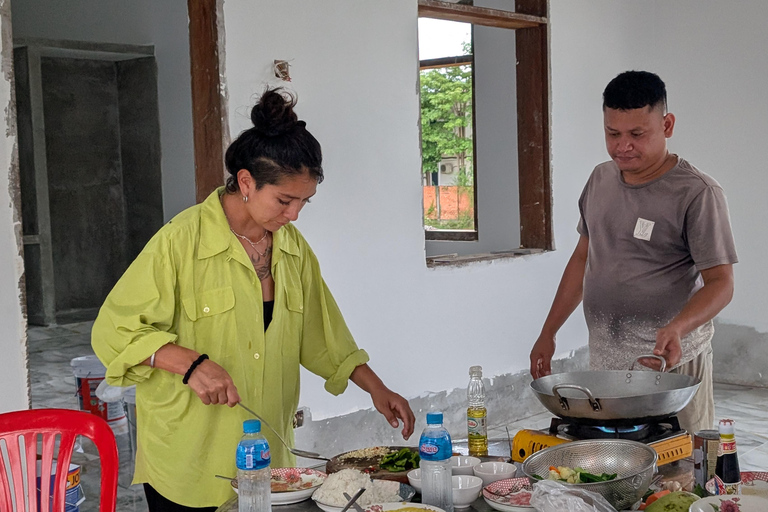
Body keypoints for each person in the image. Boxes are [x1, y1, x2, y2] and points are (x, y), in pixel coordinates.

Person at [92, 88, 415, 511]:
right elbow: (115, 330)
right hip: (191, 460)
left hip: (267, 462)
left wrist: (376, 387)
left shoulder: (292, 249)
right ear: (246, 182)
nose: (295, 214)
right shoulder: (180, 241)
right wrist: (188, 363)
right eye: (285, 200)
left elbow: (323, 334)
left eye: (304, 202)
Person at [529, 71, 737, 434]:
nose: (623, 146)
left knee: (681, 470)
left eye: (637, 135)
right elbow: (583, 258)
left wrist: (678, 327)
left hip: (671, 363)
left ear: (667, 124)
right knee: (615, 462)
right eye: (613, 134)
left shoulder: (697, 193)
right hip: (607, 361)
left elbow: (721, 283)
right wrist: (549, 331)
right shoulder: (600, 180)